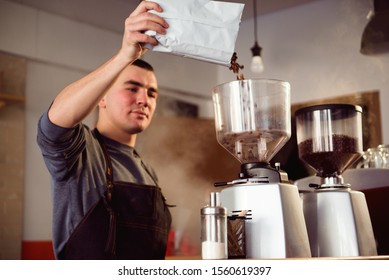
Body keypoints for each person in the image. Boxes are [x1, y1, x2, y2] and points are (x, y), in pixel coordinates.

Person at [37, 1, 172, 260]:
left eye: (151, 93)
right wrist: (125, 56)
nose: (144, 100)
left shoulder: (146, 170)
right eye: (132, 88)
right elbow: (53, 125)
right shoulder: (81, 153)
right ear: (102, 98)